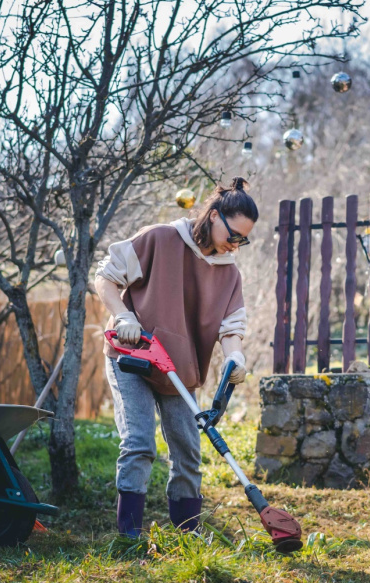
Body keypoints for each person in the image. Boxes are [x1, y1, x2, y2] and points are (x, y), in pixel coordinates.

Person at [94, 176, 258, 538]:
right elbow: (105, 279)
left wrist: (236, 360)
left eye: (243, 239)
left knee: (187, 450)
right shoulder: (161, 238)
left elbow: (231, 329)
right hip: (132, 357)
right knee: (139, 442)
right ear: (214, 216)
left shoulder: (228, 271)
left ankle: (188, 533)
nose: (237, 244)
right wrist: (124, 317)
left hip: (178, 369)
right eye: (234, 234)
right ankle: (129, 536)